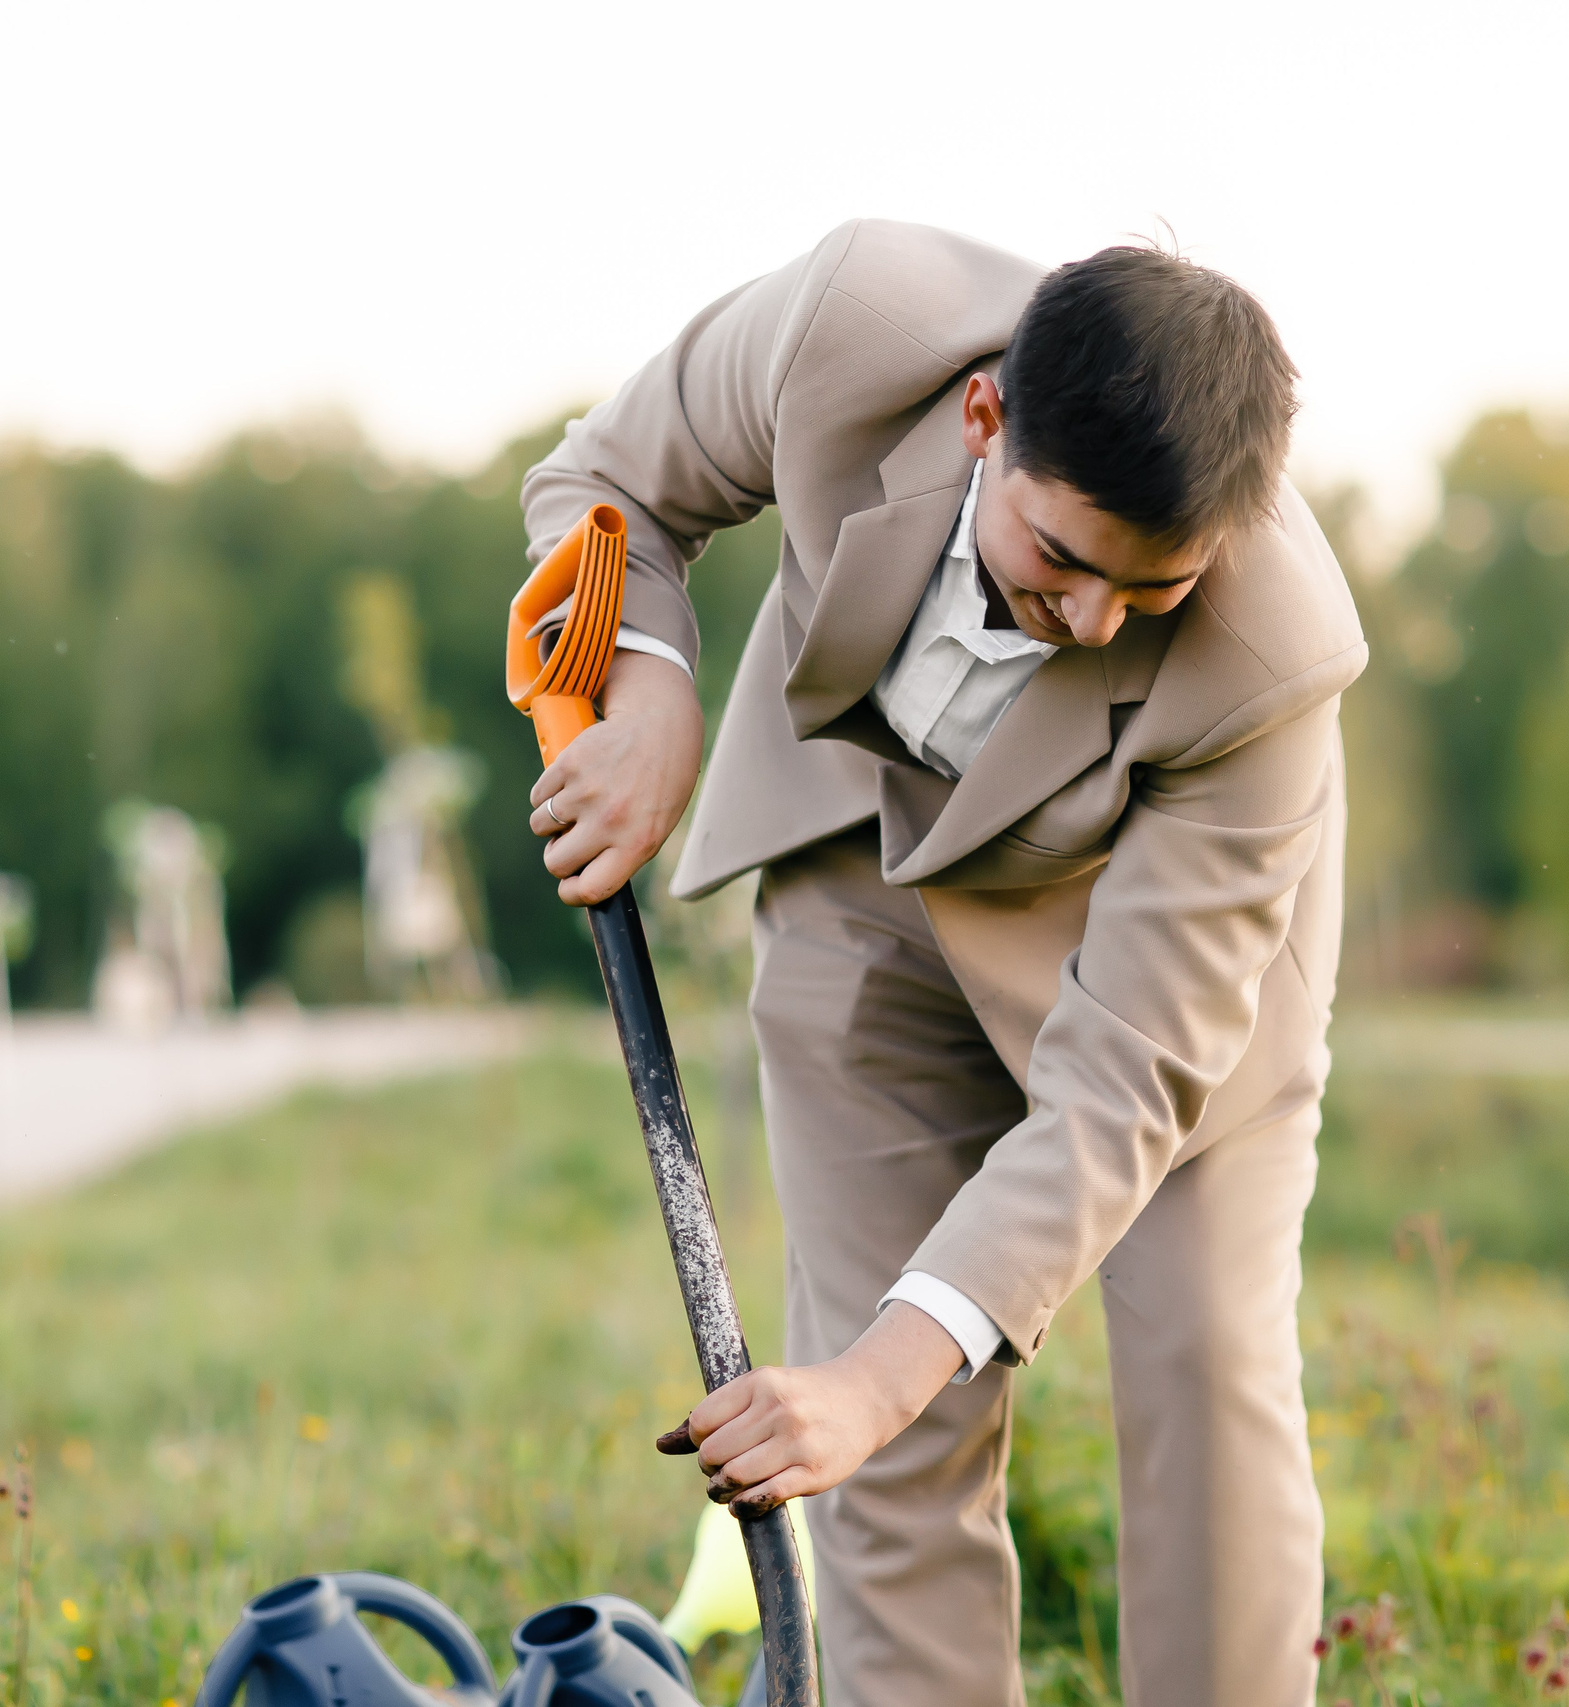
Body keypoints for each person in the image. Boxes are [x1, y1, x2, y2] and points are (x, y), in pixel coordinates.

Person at [519, 221, 1363, 1707]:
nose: (1095, 621)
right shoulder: (856, 323)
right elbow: (608, 481)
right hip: (866, 873)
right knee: (876, 1455)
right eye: (1061, 557)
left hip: (1156, 1000)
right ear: (984, 419)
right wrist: (649, 680)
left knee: (1208, 1381)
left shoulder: (1273, 661)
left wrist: (882, 1374)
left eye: (1149, 592)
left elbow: (1121, 1090)